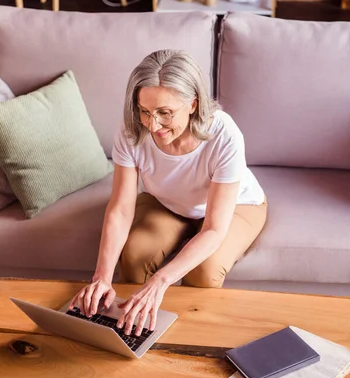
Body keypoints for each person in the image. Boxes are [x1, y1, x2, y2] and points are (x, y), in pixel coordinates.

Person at [70, 49, 267, 337]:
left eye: (165, 113)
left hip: (236, 206)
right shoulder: (131, 130)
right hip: (167, 202)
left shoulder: (225, 135)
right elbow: (122, 208)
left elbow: (213, 229)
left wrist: (161, 280)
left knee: (205, 271)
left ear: (193, 104)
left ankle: (187, 336)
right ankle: (133, 332)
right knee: (135, 257)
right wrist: (101, 278)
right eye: (145, 111)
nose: (153, 125)